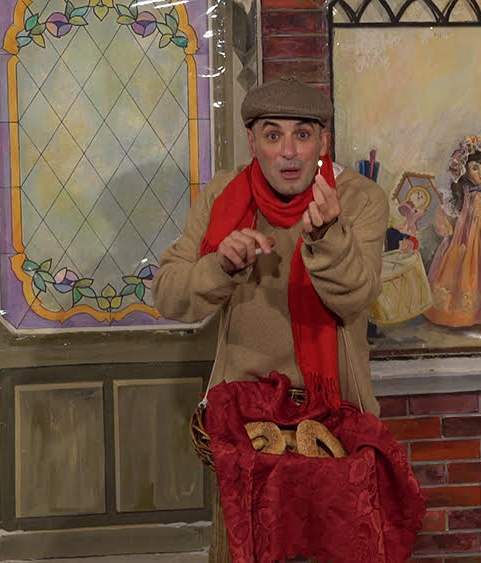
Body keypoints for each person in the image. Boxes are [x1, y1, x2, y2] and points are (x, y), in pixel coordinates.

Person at [151, 76, 389, 562]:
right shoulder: (224, 194)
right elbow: (169, 295)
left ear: (323, 142)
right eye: (273, 135)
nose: (289, 152)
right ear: (252, 141)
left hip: (336, 418)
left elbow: (355, 297)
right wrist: (220, 266)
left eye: (302, 134)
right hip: (246, 423)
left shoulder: (358, 198)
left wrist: (327, 236)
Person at [424, 135, 481, 327]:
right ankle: (467, 315)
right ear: (465, 171)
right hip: (467, 239)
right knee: (467, 272)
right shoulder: (464, 193)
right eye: (475, 168)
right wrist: (448, 231)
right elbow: (447, 214)